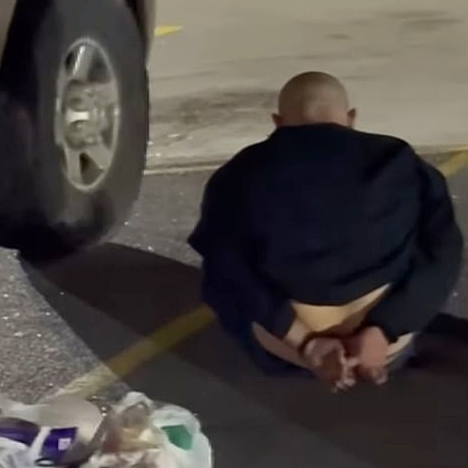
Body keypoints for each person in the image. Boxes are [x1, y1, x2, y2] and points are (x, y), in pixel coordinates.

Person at [188, 71, 464, 391]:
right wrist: (382, 330)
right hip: (384, 344)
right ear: (350, 118)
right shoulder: (400, 159)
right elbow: (444, 252)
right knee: (423, 240)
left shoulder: (239, 172)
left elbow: (228, 266)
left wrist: (307, 343)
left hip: (288, 346)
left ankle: (294, 361)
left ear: (277, 121)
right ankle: (387, 349)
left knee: (220, 268)